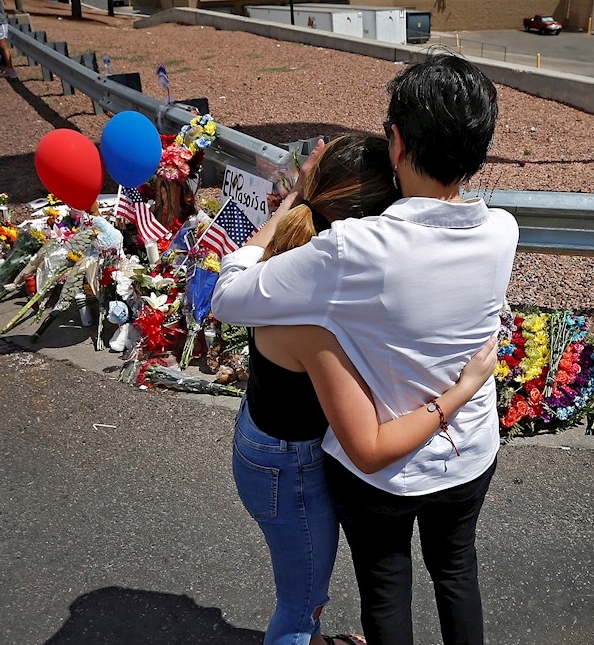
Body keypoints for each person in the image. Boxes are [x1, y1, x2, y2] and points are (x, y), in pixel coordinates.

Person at [211, 53, 517, 645]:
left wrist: (287, 210)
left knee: (386, 586)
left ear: (396, 142)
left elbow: (227, 297)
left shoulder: (355, 247)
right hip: (471, 452)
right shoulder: (503, 230)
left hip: (386, 470)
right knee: (457, 573)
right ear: (480, 153)